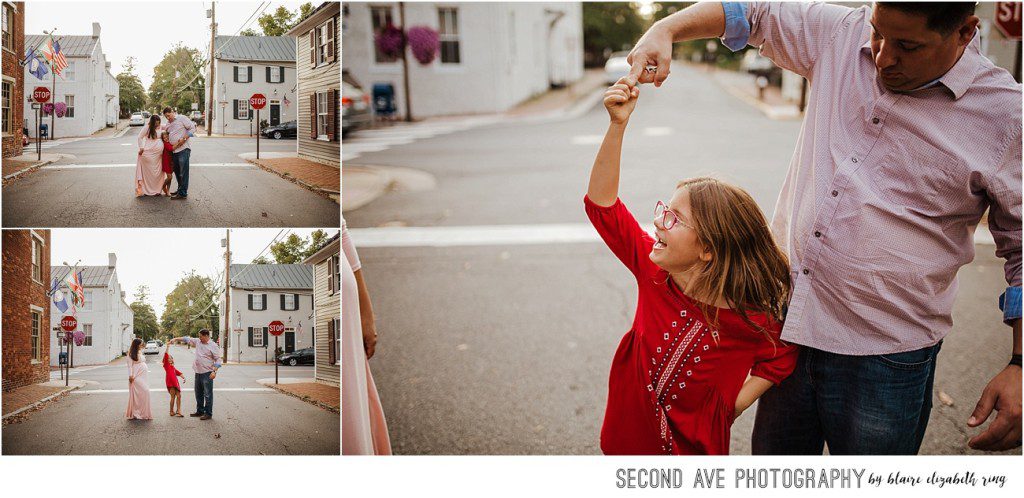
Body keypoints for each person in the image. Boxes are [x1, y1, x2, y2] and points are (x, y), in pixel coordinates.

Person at [626, 2, 1022, 454]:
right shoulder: (843, 33)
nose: (882, 56)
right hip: (786, 328)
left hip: (885, 358)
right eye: (878, 33)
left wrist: (1021, 364)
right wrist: (666, 27)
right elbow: (750, 12)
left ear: (965, 33)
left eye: (908, 45)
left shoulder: (1006, 117)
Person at [585, 76, 798, 455]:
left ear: (708, 250)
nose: (659, 222)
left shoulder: (752, 319)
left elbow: (781, 358)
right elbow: (603, 207)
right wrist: (618, 126)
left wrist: (731, 407)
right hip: (626, 443)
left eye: (675, 219)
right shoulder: (653, 273)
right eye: (664, 210)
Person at [341, 216, 392, 455]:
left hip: (347, 305)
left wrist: (366, 311)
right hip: (343, 301)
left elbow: (342, 230)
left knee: (354, 403)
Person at [169, 329, 221, 420]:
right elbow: (186, 339)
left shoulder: (213, 346)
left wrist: (214, 371)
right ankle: (200, 411)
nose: (199, 338)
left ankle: (208, 413)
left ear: (206, 336)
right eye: (199, 336)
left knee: (208, 394)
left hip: (207, 373)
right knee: (198, 393)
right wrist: (175, 339)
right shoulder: (198, 341)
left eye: (201, 336)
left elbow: (218, 359)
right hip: (198, 372)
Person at [163, 106, 196, 199]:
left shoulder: (182, 118)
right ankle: (180, 189)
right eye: (166, 117)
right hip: (174, 151)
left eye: (169, 115)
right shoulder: (168, 124)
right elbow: (165, 133)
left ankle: (183, 193)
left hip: (183, 149)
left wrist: (184, 138)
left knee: (184, 172)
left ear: (173, 112)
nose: (168, 118)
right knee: (177, 172)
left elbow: (193, 128)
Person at [134, 115, 165, 197]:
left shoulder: (161, 127)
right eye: (156, 123)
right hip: (148, 154)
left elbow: (170, 127)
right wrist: (141, 147)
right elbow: (140, 137)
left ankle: (157, 190)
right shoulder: (147, 127)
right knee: (149, 174)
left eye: (159, 123)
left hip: (159, 156)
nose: (158, 125)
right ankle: (147, 190)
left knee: (158, 173)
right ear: (152, 122)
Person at [125, 338, 153, 420]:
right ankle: (136, 412)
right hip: (136, 376)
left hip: (143, 376)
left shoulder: (140, 352)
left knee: (144, 394)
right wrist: (130, 376)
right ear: (136, 345)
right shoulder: (130, 354)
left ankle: (143, 412)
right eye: (140, 344)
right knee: (145, 391)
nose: (142, 345)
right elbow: (130, 366)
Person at [162, 343, 186, 417]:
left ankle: (179, 411)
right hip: (170, 383)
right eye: (168, 358)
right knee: (173, 397)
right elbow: (166, 355)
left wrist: (183, 377)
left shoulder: (172, 367)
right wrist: (168, 347)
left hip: (175, 383)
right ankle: (171, 411)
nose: (169, 359)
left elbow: (178, 373)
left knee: (179, 396)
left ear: (172, 359)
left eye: (171, 358)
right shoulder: (166, 365)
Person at [160, 131, 175, 196]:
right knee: (169, 177)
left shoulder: (170, 142)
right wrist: (179, 142)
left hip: (171, 162)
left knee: (170, 178)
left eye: (167, 136)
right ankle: (163, 186)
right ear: (162, 139)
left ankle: (168, 191)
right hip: (166, 162)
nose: (166, 138)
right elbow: (171, 148)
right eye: (164, 138)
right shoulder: (165, 143)